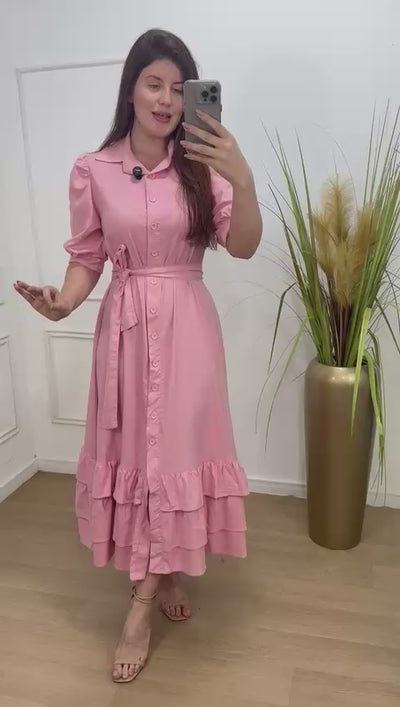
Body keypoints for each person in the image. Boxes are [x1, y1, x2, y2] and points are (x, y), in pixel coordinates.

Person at [14, 28, 262, 684]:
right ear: (131, 89)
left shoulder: (203, 166)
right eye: (154, 84)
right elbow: (87, 257)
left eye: (179, 88)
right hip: (125, 332)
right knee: (141, 457)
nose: (167, 99)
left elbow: (243, 246)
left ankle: (141, 604)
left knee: (172, 455)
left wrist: (242, 178)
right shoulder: (93, 169)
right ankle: (165, 569)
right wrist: (64, 303)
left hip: (188, 330)